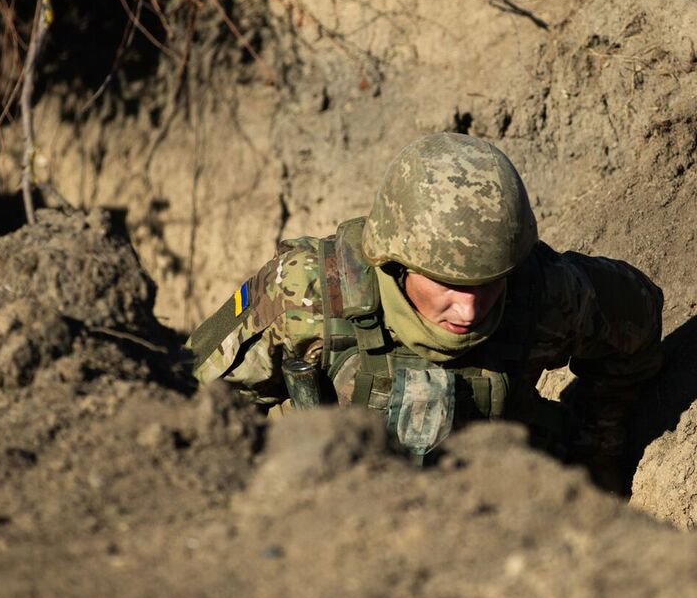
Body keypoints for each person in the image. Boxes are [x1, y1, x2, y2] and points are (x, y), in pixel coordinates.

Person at [187, 132, 663, 492]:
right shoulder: (305, 293)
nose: (470, 308)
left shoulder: (546, 294)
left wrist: (598, 449)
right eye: (449, 283)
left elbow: (636, 327)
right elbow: (190, 403)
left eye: (488, 282)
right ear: (394, 261)